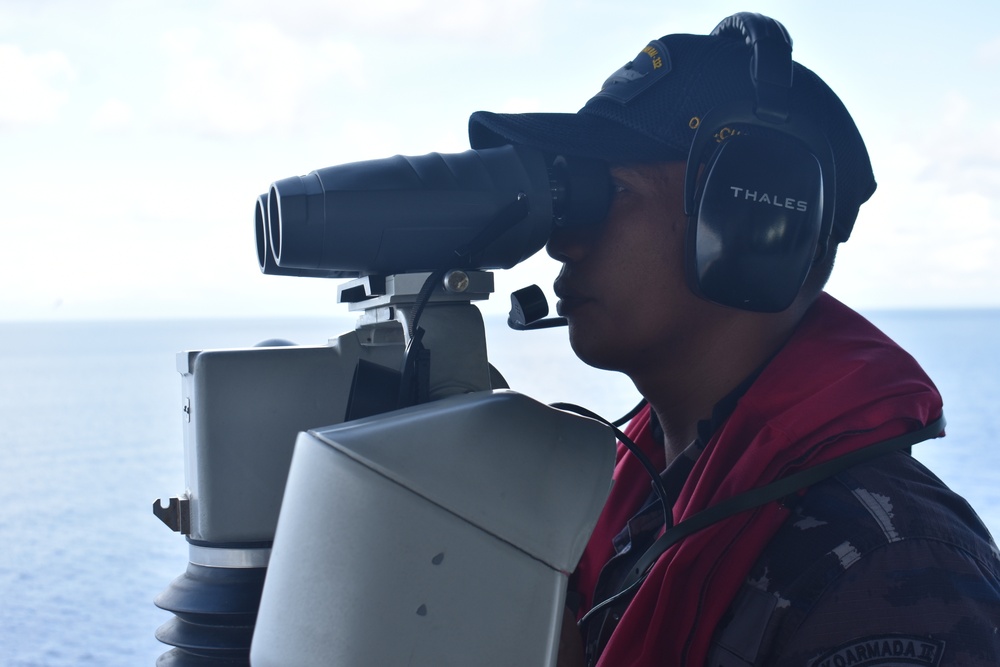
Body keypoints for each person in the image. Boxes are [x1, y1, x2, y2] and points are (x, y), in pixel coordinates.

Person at [469, 12, 1000, 667]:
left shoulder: (887, 565)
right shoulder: (634, 501)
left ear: (749, 224)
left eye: (609, 193)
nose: (563, 241)